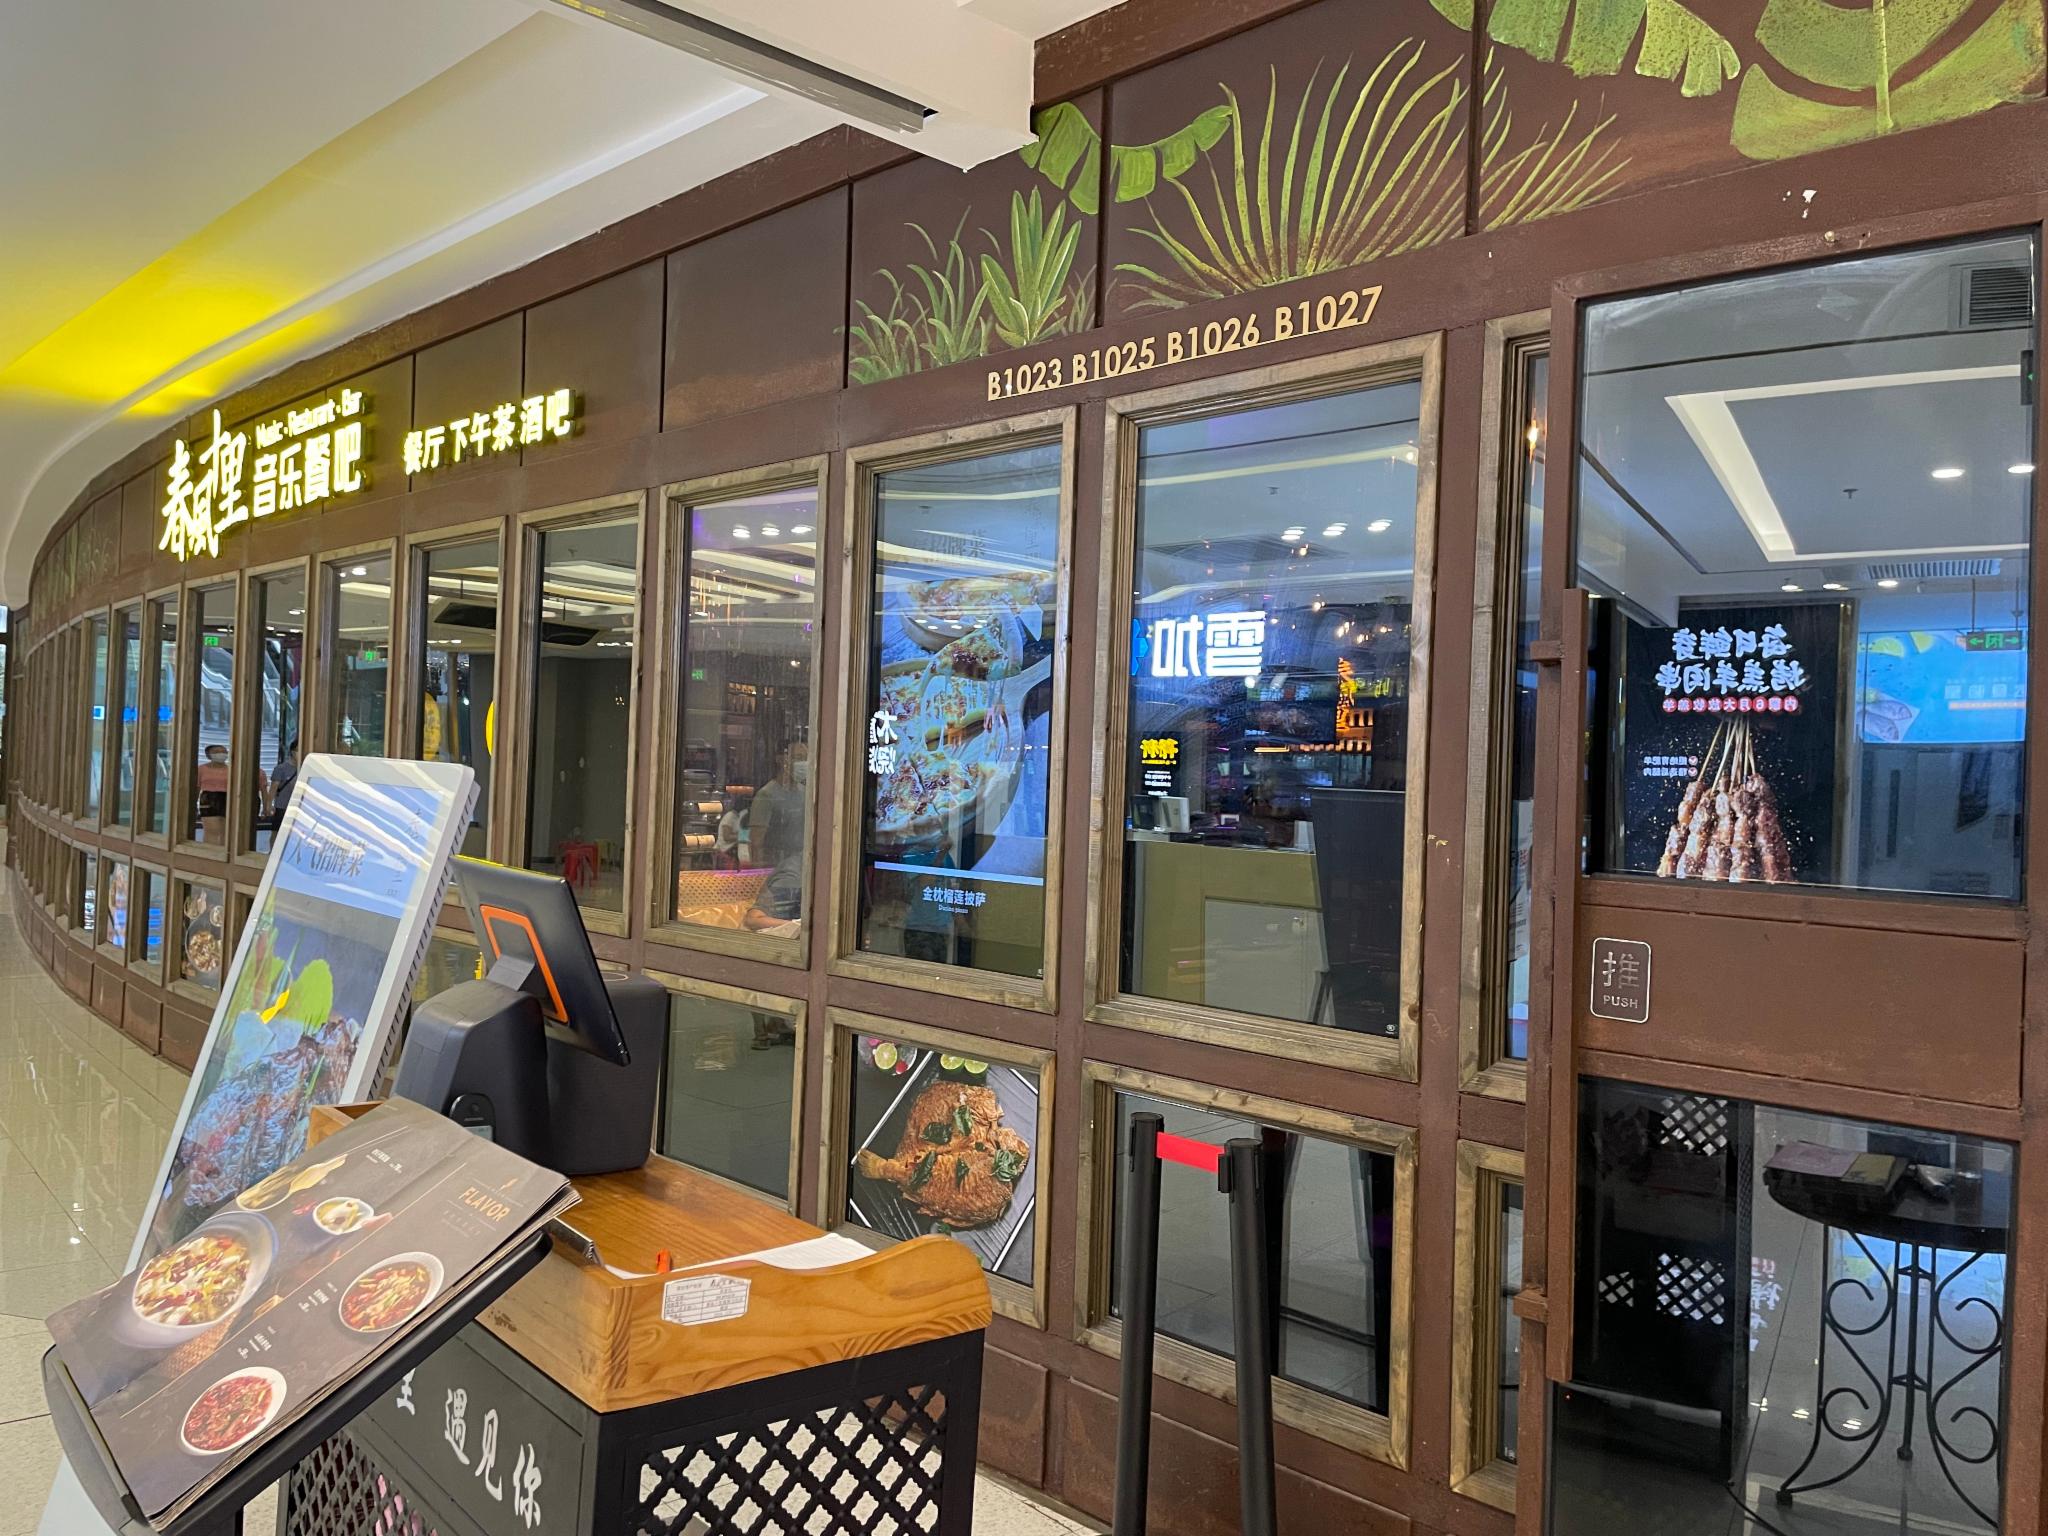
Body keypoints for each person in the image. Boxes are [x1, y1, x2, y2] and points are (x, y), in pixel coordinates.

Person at [747, 737, 807, 870]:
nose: (803, 763)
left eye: (805, 758)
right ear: (781, 759)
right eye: (798, 758)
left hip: (800, 868)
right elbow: (756, 842)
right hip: (777, 870)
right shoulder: (767, 795)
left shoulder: (805, 793)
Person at [195, 743, 229, 844]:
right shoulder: (201, 769)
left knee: (225, 831)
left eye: (224, 751)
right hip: (208, 798)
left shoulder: (232, 770)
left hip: (227, 798)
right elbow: (197, 787)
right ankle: (209, 851)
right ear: (209, 755)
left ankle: (223, 851)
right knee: (211, 830)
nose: (221, 754)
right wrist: (193, 803)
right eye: (217, 752)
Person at [268, 737, 301, 820]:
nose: (301, 753)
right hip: (282, 808)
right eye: (298, 750)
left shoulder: (304, 769)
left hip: (298, 809)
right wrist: (269, 805)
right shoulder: (281, 769)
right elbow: (273, 789)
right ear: (292, 752)